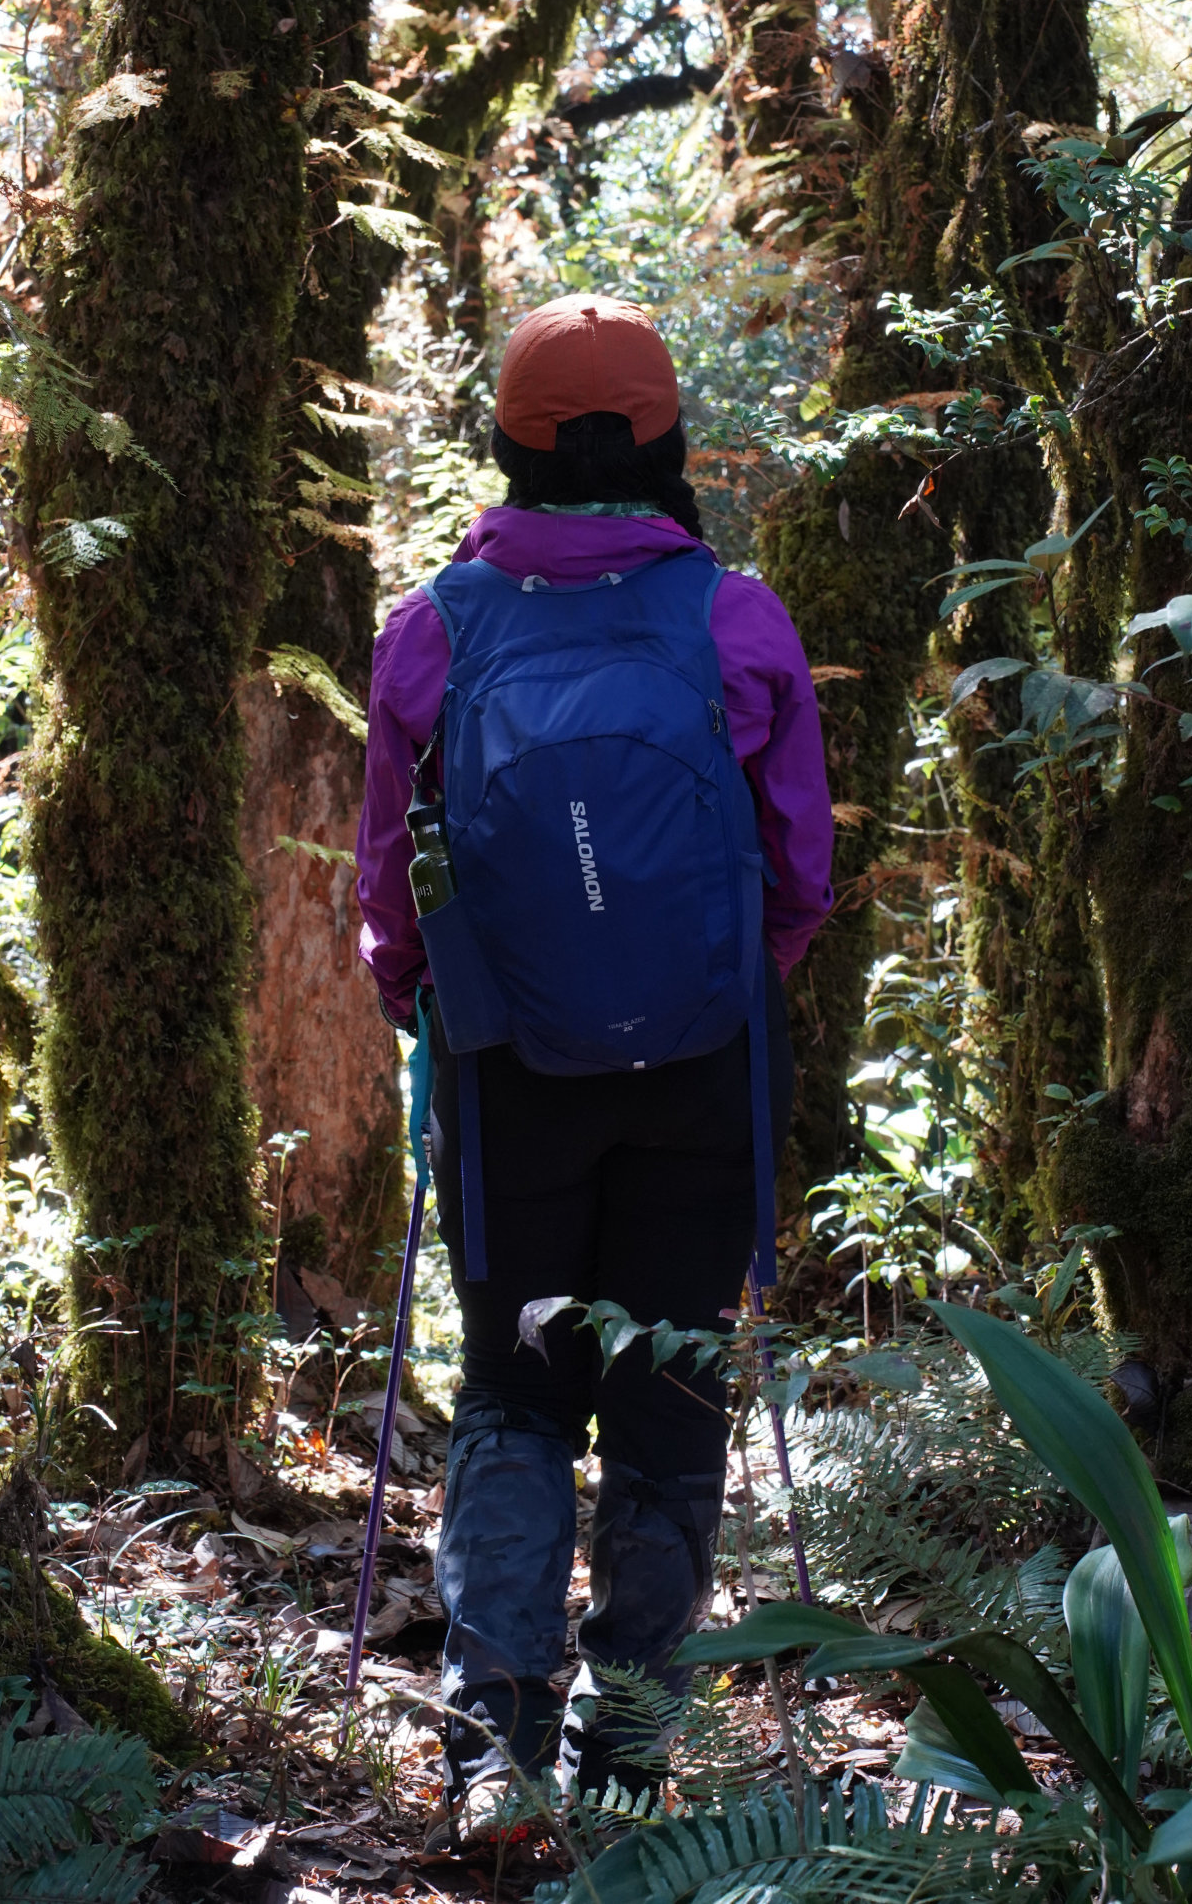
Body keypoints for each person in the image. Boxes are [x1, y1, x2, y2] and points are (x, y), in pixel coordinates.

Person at [355, 293, 833, 1850]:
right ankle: (627, 1757)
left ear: (507, 445)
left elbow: (390, 891)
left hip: (509, 1069)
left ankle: (496, 1753)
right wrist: (716, 987)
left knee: (516, 1391)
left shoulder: (433, 632)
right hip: (705, 1067)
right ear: (668, 439)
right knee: (670, 1383)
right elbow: (800, 871)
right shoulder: (737, 621)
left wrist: (435, 1007)